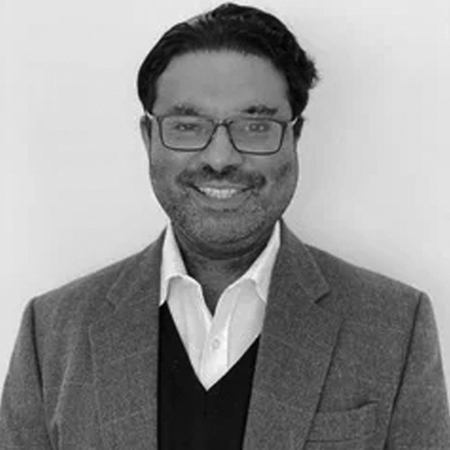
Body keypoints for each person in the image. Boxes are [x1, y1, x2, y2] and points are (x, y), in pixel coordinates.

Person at [1, 3, 449, 449]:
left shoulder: (395, 326)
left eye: (255, 126)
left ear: (295, 137)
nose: (220, 158)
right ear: (148, 138)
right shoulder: (52, 331)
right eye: (187, 125)